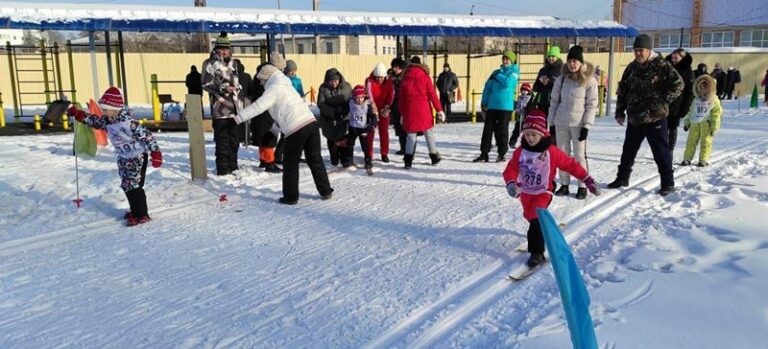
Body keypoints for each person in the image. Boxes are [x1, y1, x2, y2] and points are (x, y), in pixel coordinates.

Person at [502, 111, 600, 268]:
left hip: (543, 191)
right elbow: (510, 170)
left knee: (536, 219)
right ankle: (539, 230)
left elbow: (570, 165)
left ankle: (537, 253)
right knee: (529, 216)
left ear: (543, 134)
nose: (530, 138)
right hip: (526, 192)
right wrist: (511, 183)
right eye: (527, 134)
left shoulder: (551, 152)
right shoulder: (521, 152)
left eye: (534, 134)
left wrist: (587, 179)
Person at [234, 65, 334, 205]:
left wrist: (237, 119)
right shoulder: (286, 85)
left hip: (296, 128)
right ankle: (326, 191)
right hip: (310, 123)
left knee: (290, 164)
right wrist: (274, 130)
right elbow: (283, 113)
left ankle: (291, 197)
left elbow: (258, 106)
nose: (262, 84)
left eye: (262, 80)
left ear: (267, 77)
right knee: (315, 159)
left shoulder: (273, 88)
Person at [67, 87, 162, 226]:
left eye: (105, 109)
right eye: (103, 109)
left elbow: (148, 137)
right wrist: (79, 114)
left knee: (134, 186)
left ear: (115, 108)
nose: (103, 112)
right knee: (127, 185)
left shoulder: (130, 124)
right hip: (123, 157)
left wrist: (156, 153)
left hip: (137, 156)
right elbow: (95, 121)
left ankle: (141, 214)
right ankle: (135, 210)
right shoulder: (108, 120)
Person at [608, 34, 684, 196]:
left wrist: (663, 101)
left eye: (640, 50)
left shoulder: (662, 65)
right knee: (628, 150)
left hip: (655, 117)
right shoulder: (632, 67)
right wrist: (620, 111)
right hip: (635, 117)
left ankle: (668, 183)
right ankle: (622, 178)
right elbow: (623, 90)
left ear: (649, 50)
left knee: (661, 152)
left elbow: (678, 84)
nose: (637, 54)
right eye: (635, 50)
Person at [547, 45, 598, 200]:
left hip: (578, 124)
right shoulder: (561, 79)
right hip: (561, 122)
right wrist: (552, 124)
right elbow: (554, 101)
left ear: (581, 62)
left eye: (575, 61)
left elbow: (592, 104)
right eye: (569, 61)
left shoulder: (589, 80)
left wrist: (587, 126)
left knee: (579, 156)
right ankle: (564, 184)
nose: (572, 64)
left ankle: (582, 185)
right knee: (563, 155)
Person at [201, 32, 243, 176]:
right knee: (223, 141)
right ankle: (223, 169)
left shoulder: (234, 63)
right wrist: (222, 87)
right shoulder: (210, 63)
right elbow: (205, 84)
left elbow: (236, 80)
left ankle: (234, 165)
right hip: (220, 109)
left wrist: (238, 88)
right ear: (217, 48)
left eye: (227, 48)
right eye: (222, 48)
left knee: (235, 140)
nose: (225, 51)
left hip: (235, 108)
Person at [399, 56, 445, 169]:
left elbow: (401, 98)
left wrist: (401, 113)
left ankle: (408, 160)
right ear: (420, 64)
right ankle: (434, 157)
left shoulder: (405, 77)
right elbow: (432, 95)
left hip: (410, 110)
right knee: (428, 133)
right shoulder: (425, 76)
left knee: (411, 136)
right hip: (424, 109)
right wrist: (439, 109)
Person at [474, 50, 519, 163]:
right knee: (487, 130)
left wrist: (498, 75)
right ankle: (484, 153)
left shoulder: (514, 72)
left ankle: (502, 153)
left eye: (507, 59)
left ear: (512, 61)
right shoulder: (495, 72)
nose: (505, 61)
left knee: (502, 130)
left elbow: (508, 83)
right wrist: (484, 101)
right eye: (504, 58)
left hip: (505, 107)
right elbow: (488, 87)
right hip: (492, 105)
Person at [247, 61, 282, 173]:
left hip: (257, 114)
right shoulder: (266, 83)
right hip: (267, 114)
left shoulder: (256, 80)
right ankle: (270, 163)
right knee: (269, 138)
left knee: (262, 139)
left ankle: (263, 160)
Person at [681, 75, 722, 167]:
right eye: (700, 88)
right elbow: (691, 111)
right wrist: (687, 122)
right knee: (691, 142)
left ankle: (703, 159)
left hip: (706, 124)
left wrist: (714, 126)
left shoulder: (714, 100)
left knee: (706, 142)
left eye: (705, 88)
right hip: (695, 123)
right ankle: (687, 158)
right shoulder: (696, 100)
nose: (702, 90)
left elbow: (716, 114)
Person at [317, 67, 353, 167]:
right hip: (329, 118)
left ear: (339, 79)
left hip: (343, 116)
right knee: (331, 138)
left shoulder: (347, 87)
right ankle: (334, 157)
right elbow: (321, 103)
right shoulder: (323, 88)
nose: (333, 83)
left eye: (335, 81)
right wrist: (332, 112)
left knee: (343, 137)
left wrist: (344, 111)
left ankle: (345, 158)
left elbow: (351, 101)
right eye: (331, 81)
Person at [665, 48, 695, 156]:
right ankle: (662, 149)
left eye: (676, 58)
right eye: (672, 57)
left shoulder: (687, 71)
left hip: (677, 106)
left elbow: (690, 92)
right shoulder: (666, 67)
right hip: (663, 104)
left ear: (682, 58)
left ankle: (670, 150)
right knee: (662, 129)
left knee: (672, 128)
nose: (673, 59)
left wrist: (685, 108)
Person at [530, 45, 564, 137]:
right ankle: (542, 141)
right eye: (549, 56)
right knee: (541, 123)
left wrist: (551, 82)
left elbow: (563, 85)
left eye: (553, 56)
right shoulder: (543, 70)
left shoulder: (562, 70)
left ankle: (554, 144)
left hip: (555, 101)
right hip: (542, 101)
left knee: (554, 124)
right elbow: (535, 87)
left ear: (557, 57)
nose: (551, 58)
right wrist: (539, 81)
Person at [365, 62, 395, 163]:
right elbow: (369, 94)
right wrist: (373, 108)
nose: (379, 79)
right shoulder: (369, 81)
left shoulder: (389, 82)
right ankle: (369, 154)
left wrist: (387, 106)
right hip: (372, 108)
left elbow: (391, 95)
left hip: (384, 109)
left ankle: (384, 153)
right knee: (370, 132)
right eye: (377, 77)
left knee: (384, 132)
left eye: (381, 77)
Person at [346, 85, 378, 172]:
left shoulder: (367, 105)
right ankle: (349, 159)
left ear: (364, 97)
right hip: (353, 127)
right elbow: (346, 110)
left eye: (361, 98)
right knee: (349, 144)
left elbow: (373, 116)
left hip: (363, 128)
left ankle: (368, 160)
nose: (359, 100)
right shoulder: (351, 102)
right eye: (357, 98)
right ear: (353, 97)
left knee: (365, 146)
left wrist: (373, 125)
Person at [389, 57, 408, 155]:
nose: (394, 69)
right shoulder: (390, 77)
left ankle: (408, 149)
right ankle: (403, 148)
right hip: (394, 106)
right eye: (393, 67)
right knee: (398, 128)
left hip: (404, 106)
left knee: (406, 128)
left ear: (401, 68)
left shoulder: (405, 77)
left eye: (397, 67)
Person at [508, 82, 532, 148]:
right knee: (516, 130)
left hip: (526, 118)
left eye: (526, 90)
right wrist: (517, 108)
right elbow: (517, 106)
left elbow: (530, 107)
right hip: (519, 117)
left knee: (526, 132)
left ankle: (526, 143)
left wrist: (526, 109)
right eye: (523, 90)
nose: (524, 91)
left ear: (528, 91)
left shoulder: (530, 98)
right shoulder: (520, 97)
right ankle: (512, 142)